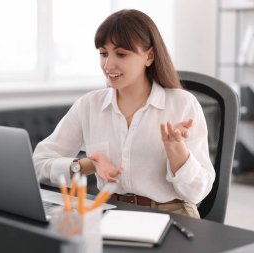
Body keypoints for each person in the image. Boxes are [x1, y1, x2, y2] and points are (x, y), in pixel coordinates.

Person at [33, 9, 215, 219]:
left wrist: (177, 151)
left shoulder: (182, 104)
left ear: (149, 56)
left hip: (172, 214)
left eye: (121, 54)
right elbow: (38, 164)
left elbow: (198, 192)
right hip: (110, 212)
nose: (108, 65)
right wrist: (87, 165)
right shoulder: (89, 105)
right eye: (103, 53)